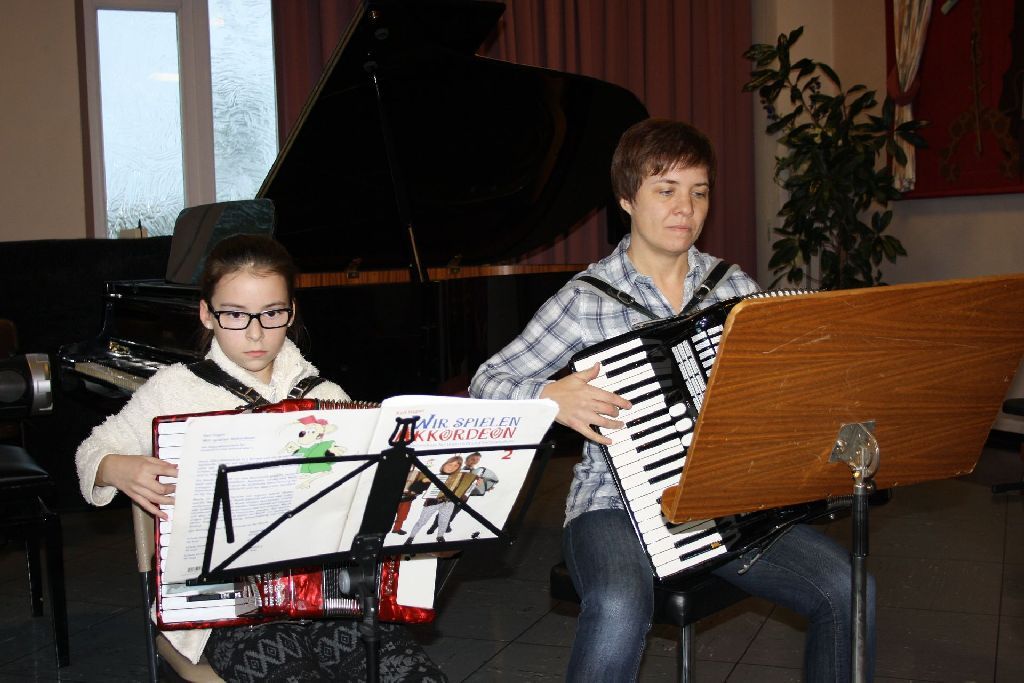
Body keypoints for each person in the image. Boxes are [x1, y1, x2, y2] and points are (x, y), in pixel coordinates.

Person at [470, 118, 875, 682]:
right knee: (618, 605)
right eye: (666, 190)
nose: (686, 208)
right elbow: (487, 381)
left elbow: (783, 390)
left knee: (847, 588)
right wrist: (549, 397)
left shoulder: (734, 289)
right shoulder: (585, 300)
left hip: (724, 501)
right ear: (626, 199)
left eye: (699, 192)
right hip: (613, 505)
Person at [76, 234, 445, 682]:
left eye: (272, 313)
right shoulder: (175, 389)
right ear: (206, 314)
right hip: (226, 606)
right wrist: (116, 467)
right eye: (235, 314)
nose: (255, 333)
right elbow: (91, 451)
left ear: (291, 312)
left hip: (328, 596)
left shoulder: (325, 395)